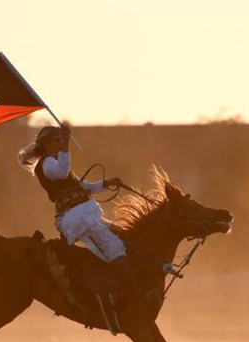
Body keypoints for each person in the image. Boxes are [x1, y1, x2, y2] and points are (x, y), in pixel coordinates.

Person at [17, 125, 161, 310]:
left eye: (61, 140)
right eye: (57, 140)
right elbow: (62, 171)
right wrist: (67, 144)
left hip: (85, 214)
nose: (60, 143)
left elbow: (83, 185)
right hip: (76, 218)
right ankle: (137, 294)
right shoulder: (46, 164)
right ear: (45, 145)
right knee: (114, 247)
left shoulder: (56, 162)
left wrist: (106, 183)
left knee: (122, 233)